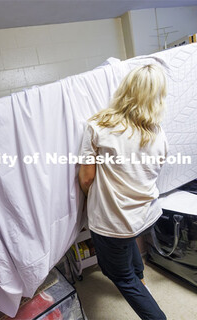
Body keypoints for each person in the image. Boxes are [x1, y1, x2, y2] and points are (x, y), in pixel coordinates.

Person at [78, 64, 168, 320]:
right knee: (127, 243)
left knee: (119, 275)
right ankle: (141, 279)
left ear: (125, 89)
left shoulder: (98, 125)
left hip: (112, 218)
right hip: (144, 214)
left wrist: (93, 200)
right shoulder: (158, 132)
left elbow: (86, 178)